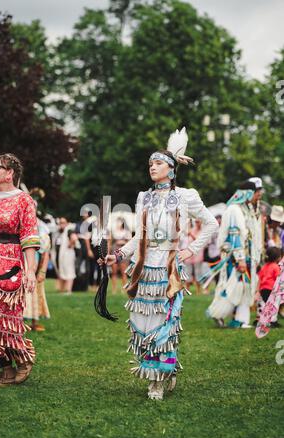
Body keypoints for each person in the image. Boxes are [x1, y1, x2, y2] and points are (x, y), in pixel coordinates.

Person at [98, 127, 218, 400]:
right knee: (142, 323)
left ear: (172, 169)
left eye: (158, 163)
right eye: (150, 163)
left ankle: (158, 381)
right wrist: (117, 256)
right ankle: (161, 370)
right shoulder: (144, 197)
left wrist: (190, 251)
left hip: (169, 271)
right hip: (143, 271)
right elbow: (138, 237)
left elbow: (211, 224)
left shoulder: (187, 196)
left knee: (164, 324)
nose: (152, 167)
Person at [0, 153, 40, 386]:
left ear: (10, 173)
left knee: (5, 317)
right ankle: (4, 366)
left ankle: (22, 359)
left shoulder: (23, 201)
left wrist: (30, 271)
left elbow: (29, 237)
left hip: (9, 264)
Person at [203, 178, 263, 328]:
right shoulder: (234, 210)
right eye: (256, 193)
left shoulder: (246, 209)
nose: (258, 196)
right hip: (235, 258)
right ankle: (218, 313)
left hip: (246, 256)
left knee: (244, 288)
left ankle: (241, 320)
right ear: (248, 193)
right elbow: (234, 235)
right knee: (231, 287)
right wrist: (240, 259)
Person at [23, 217, 51, 331]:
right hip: (19, 263)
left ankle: (34, 321)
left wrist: (42, 271)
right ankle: (20, 321)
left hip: (33, 264)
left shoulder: (41, 229)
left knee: (36, 291)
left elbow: (45, 253)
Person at [256, 255, 284, 338]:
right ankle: (273, 321)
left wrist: (257, 290)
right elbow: (278, 278)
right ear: (277, 257)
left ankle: (264, 321)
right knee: (274, 305)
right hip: (272, 289)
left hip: (263, 289)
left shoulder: (264, 266)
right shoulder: (275, 266)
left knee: (267, 306)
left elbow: (260, 278)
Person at [51, 217, 78, 294]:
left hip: (67, 255)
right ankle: (62, 289)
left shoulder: (69, 230)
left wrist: (70, 245)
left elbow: (74, 238)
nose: (62, 224)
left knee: (69, 271)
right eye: (60, 223)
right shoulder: (58, 232)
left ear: (66, 223)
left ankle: (68, 290)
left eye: (63, 222)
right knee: (61, 272)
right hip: (58, 255)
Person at [109, 217, 132, 294]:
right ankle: (114, 289)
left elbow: (130, 243)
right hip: (115, 250)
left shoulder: (127, 232)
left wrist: (123, 242)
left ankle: (124, 289)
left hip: (124, 251)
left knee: (123, 272)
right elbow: (110, 241)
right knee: (114, 271)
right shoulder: (114, 232)